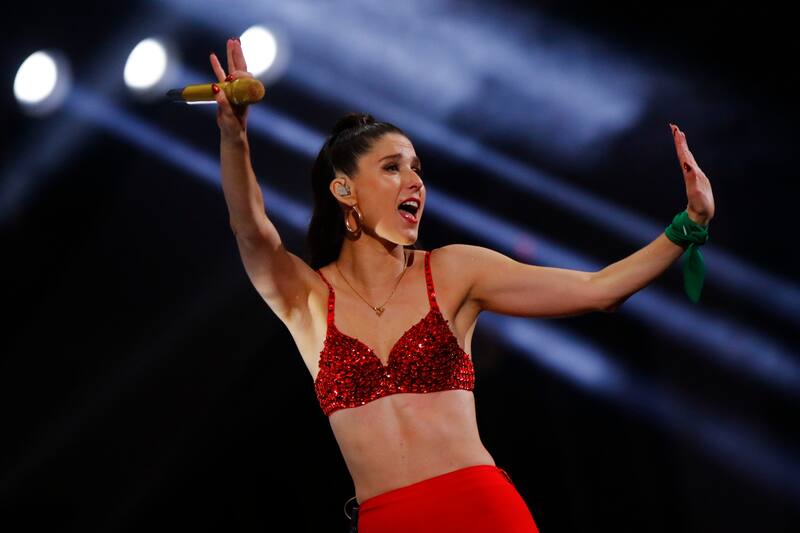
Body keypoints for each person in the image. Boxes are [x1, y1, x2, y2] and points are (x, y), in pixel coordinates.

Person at [209, 38, 715, 532]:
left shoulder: (451, 271)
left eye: (417, 169)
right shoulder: (308, 299)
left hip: (481, 511)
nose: (415, 182)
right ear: (344, 190)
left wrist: (686, 226)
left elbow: (598, 289)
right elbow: (251, 230)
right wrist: (235, 139)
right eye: (392, 168)